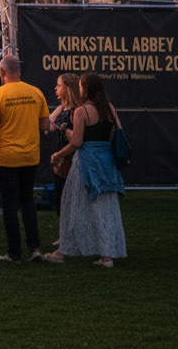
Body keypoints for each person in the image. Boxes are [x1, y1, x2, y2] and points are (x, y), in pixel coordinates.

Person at [46, 73, 126, 267]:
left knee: (71, 204)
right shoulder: (109, 108)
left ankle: (63, 250)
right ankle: (108, 254)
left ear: (86, 89)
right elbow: (118, 132)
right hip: (107, 162)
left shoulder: (82, 111)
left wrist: (59, 151)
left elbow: (77, 142)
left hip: (86, 163)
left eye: (81, 86)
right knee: (105, 207)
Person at [0, 54, 49, 263]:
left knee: (10, 205)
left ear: (2, 72)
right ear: (19, 71)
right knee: (27, 200)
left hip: (7, 157)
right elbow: (45, 125)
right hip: (30, 155)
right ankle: (35, 247)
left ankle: (14, 252)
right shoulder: (36, 92)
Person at [48, 72, 81, 224]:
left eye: (59, 85)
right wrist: (61, 106)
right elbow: (48, 126)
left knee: (69, 200)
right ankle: (64, 235)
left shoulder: (76, 111)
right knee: (60, 198)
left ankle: (68, 237)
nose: (55, 88)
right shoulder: (64, 109)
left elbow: (76, 140)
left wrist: (60, 155)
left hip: (70, 160)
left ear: (68, 88)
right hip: (61, 161)